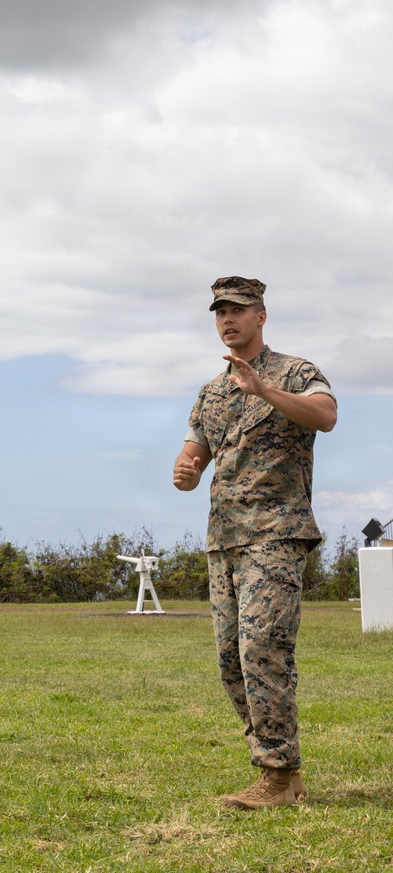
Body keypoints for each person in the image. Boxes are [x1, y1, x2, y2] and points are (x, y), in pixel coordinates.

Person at [173, 276, 338, 810]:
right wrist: (187, 470)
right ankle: (285, 773)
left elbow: (326, 416)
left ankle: (273, 774)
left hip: (276, 533)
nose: (228, 319)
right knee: (230, 660)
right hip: (224, 541)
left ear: (261, 316)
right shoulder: (212, 392)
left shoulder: (296, 371)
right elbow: (194, 452)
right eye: (220, 311)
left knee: (263, 648)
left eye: (239, 310)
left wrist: (264, 390)